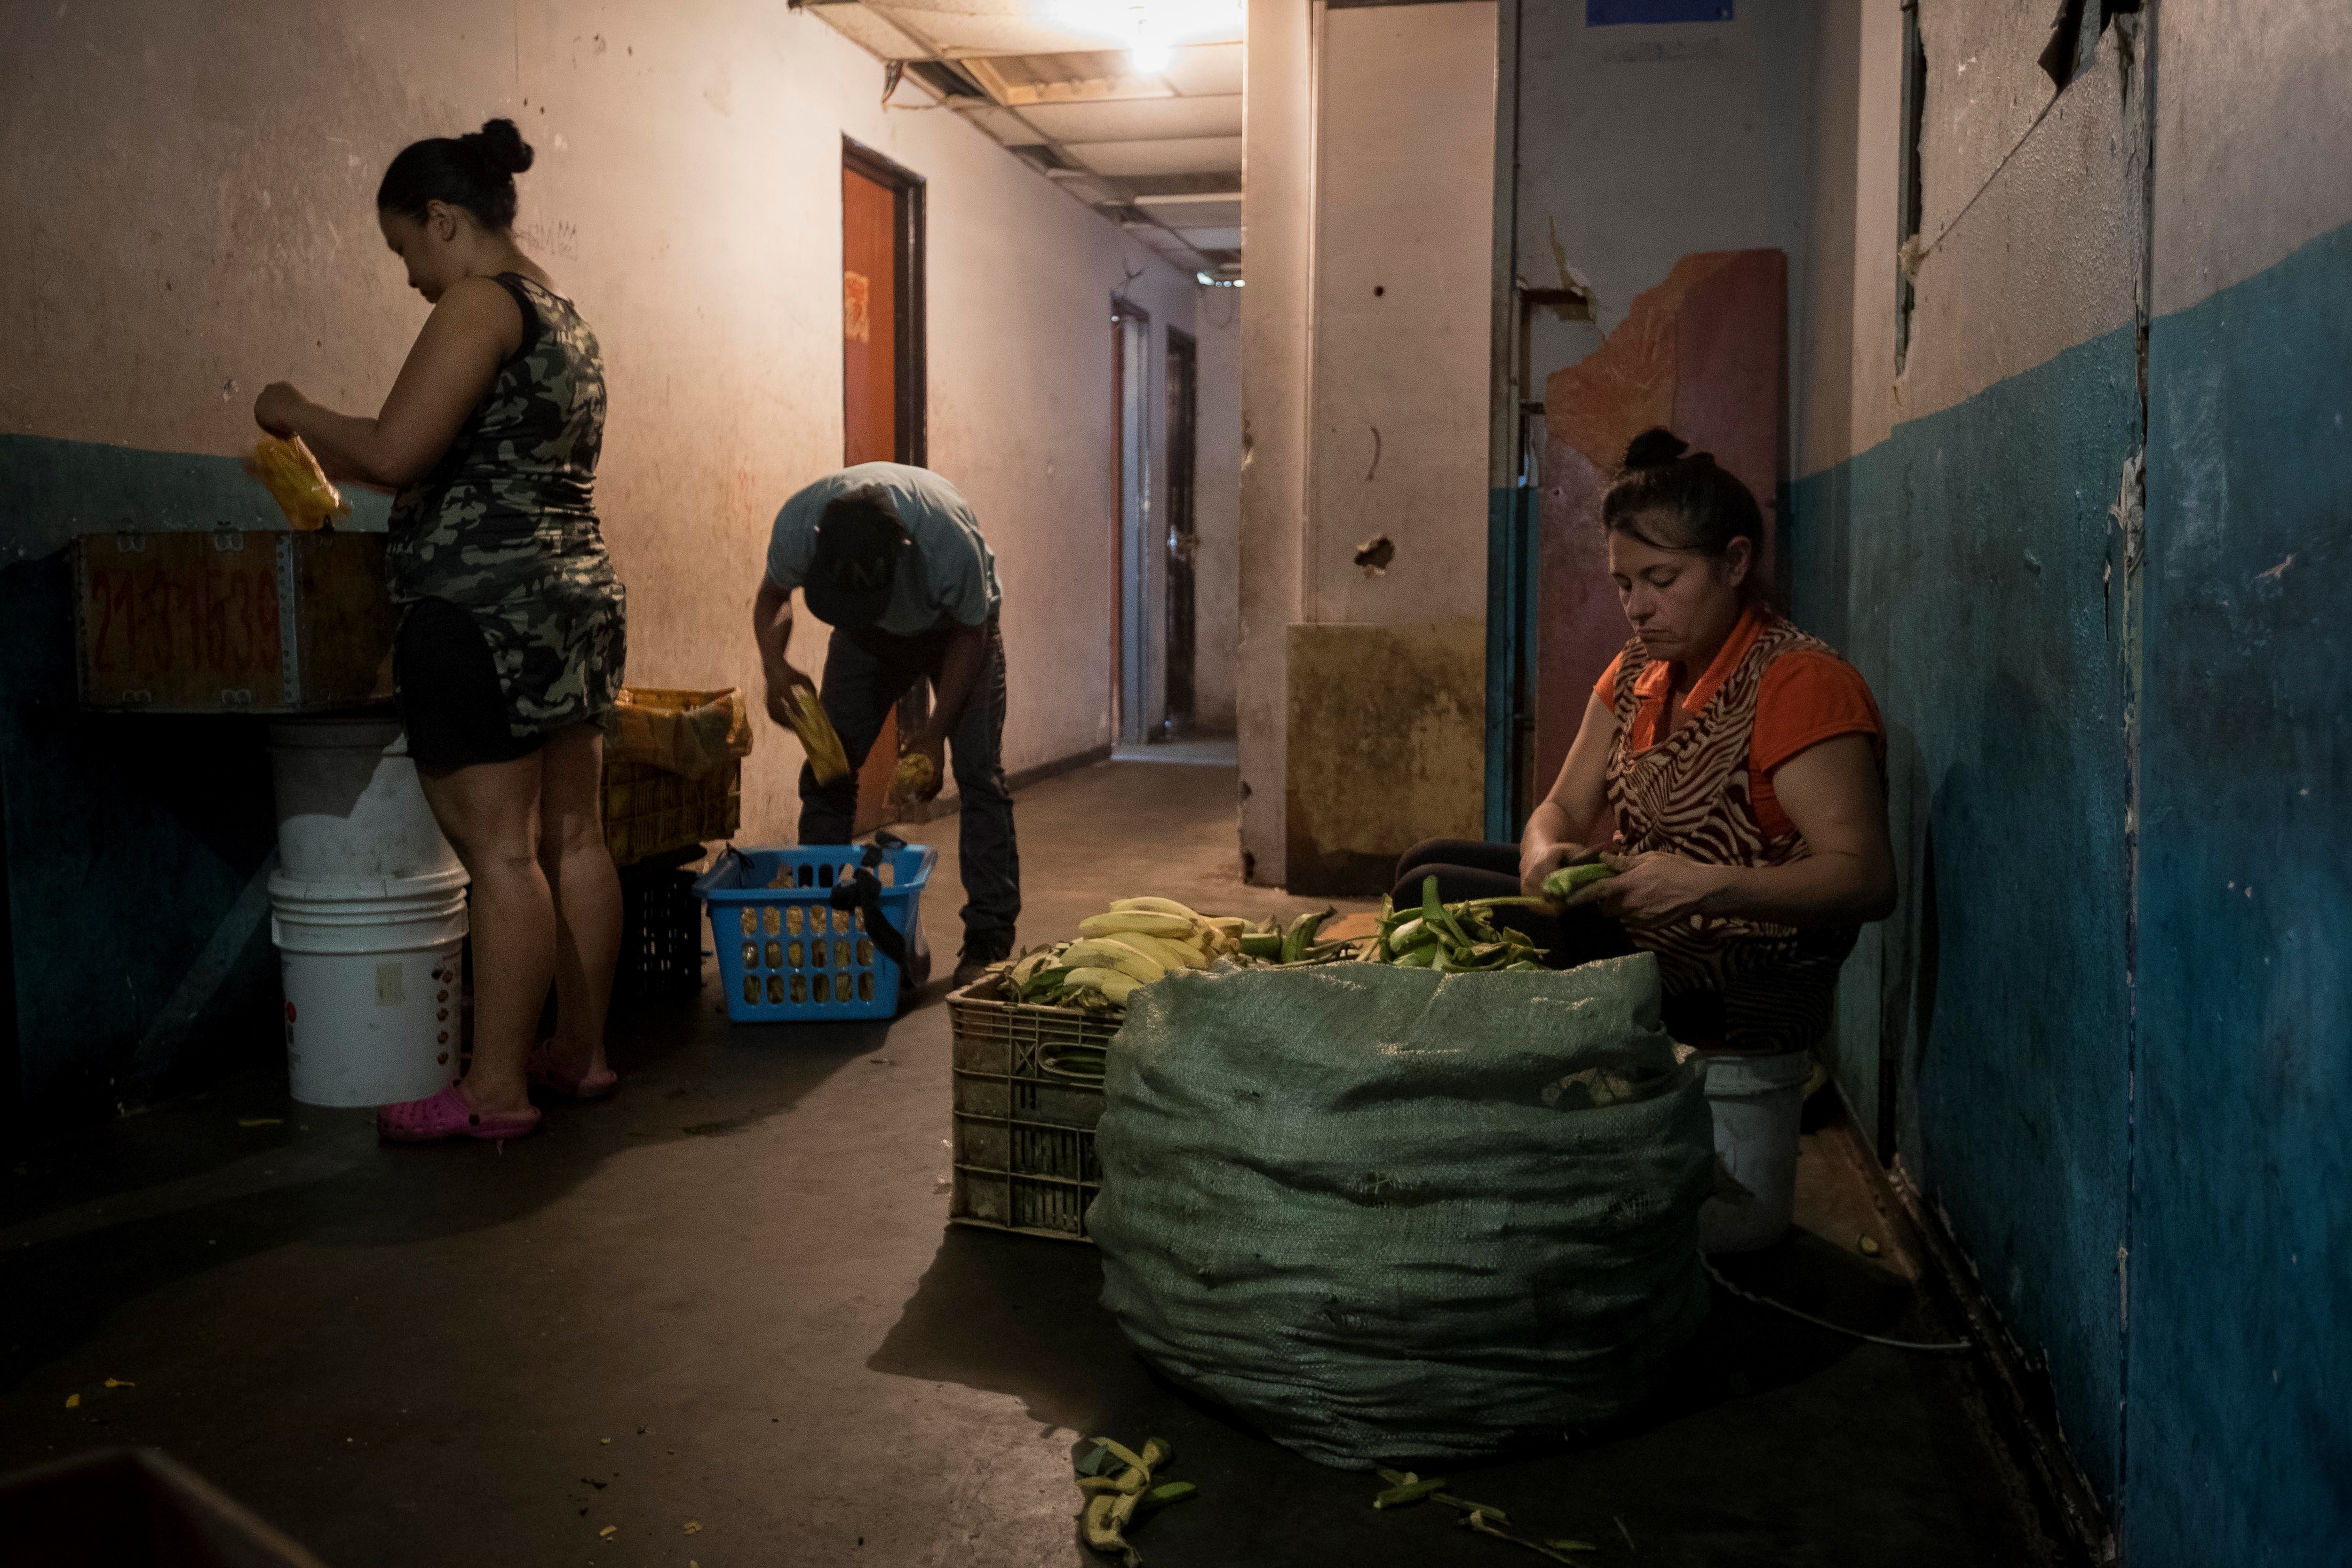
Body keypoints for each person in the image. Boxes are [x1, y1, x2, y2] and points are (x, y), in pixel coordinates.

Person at [253, 118, 627, 1140]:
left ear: (444, 220)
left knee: (500, 857)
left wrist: (292, 408)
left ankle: (493, 1089)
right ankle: (580, 1054)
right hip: (573, 598)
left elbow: (393, 451)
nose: (411, 277)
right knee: (575, 838)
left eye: (404, 249)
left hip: (480, 611)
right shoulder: (565, 316)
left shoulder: (478, 303)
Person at [1395, 428, 1895, 1054]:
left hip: (1729, 978)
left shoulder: (1797, 682)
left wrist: (1702, 884)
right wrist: (1542, 854)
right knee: (1425, 860)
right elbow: (1565, 808)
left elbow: (1867, 878)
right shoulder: (1640, 668)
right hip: (1645, 932)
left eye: (1662, 579)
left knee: (1423, 895)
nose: (1637, 608)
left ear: (1736, 563)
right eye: (1625, 583)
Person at [753, 464, 1018, 989]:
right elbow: (771, 599)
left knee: (977, 773)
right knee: (830, 771)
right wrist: (775, 666)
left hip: (955, 635)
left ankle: (989, 939)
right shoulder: (799, 523)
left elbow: (972, 633)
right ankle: (821, 928)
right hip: (866, 639)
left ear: (901, 553)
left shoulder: (945, 539)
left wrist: (934, 732)